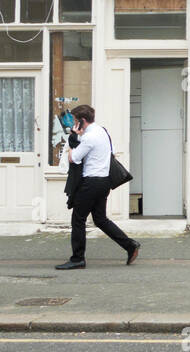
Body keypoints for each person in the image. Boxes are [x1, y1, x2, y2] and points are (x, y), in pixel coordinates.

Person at [56, 104, 141, 270]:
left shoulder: (89, 138)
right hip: (104, 182)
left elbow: (74, 158)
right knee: (100, 219)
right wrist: (78, 137)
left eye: (74, 120)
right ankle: (130, 245)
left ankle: (77, 258)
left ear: (81, 121)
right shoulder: (102, 131)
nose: (73, 123)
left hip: (91, 182)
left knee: (78, 220)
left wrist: (73, 140)